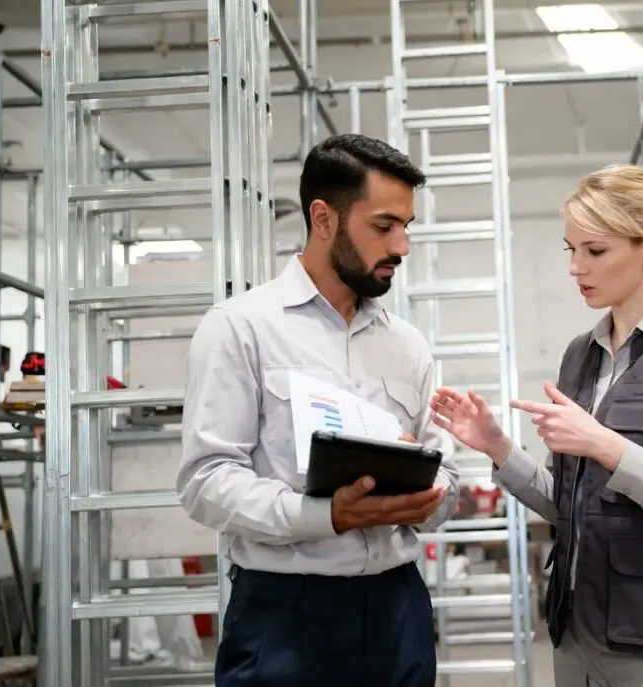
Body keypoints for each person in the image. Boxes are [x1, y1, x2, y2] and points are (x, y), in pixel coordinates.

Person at [430, 164, 643, 687]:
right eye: (571, 249)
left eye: (596, 250)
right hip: (579, 637)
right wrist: (497, 447)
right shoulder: (580, 357)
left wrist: (607, 446)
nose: (575, 266)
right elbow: (570, 507)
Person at [178, 133, 460, 687]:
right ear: (323, 217)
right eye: (384, 226)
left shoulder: (408, 346)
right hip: (284, 617)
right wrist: (327, 517)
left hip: (396, 608)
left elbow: (445, 474)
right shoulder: (241, 328)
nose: (402, 246)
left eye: (406, 227)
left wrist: (424, 496)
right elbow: (205, 481)